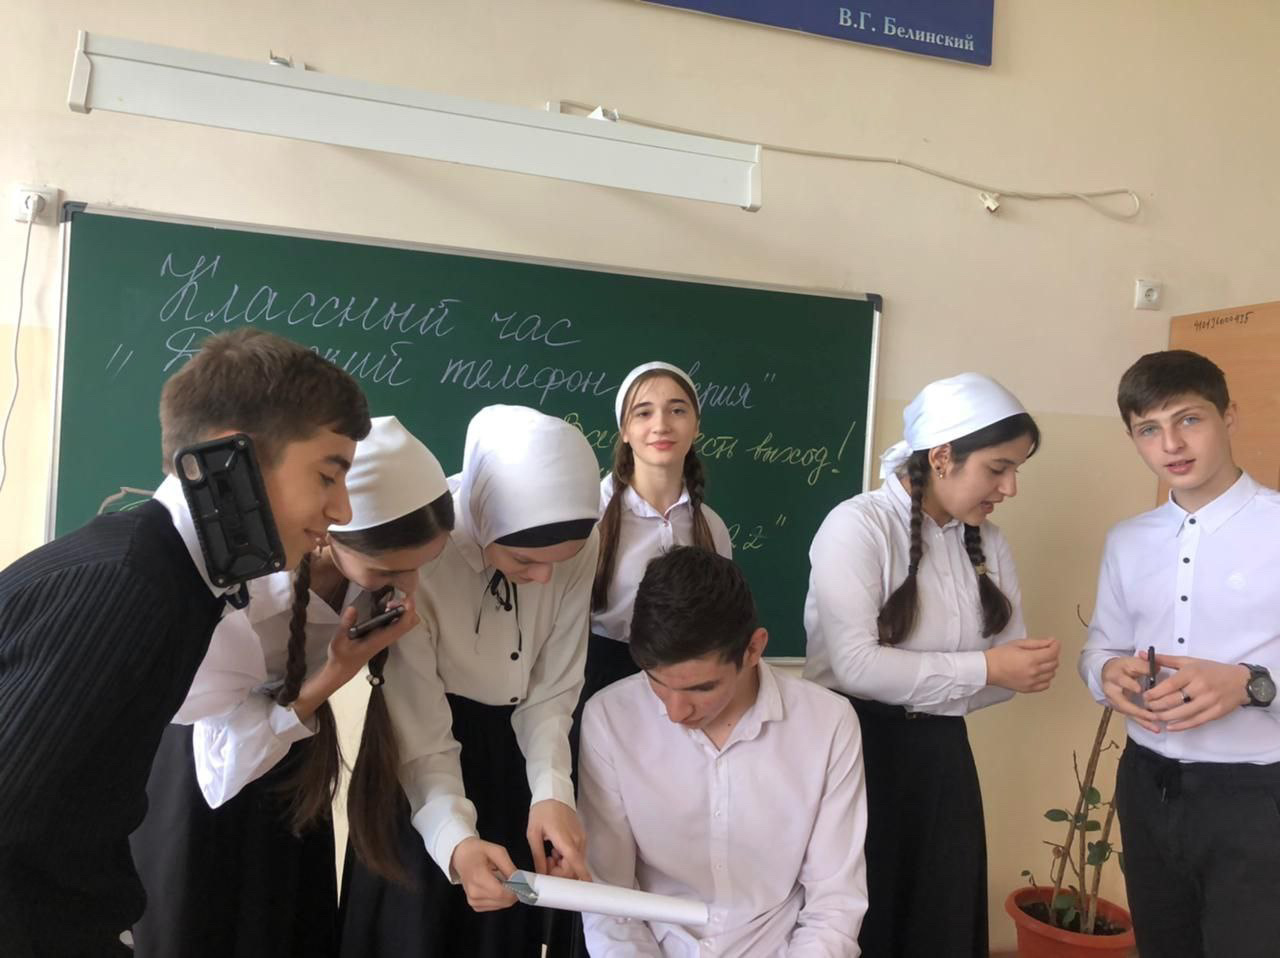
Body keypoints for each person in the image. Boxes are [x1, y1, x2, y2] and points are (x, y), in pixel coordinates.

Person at [0, 329, 371, 957]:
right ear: (231, 459)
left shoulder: (177, 579)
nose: (342, 510)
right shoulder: (131, 585)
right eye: (327, 476)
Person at [131, 416, 447, 957]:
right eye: (388, 571)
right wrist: (333, 675)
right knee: (195, 926)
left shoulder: (366, 576)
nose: (408, 586)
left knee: (288, 926)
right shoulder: (244, 580)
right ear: (330, 533)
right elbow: (222, 760)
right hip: (204, 771)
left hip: (297, 770)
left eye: (421, 567)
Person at [803, 371, 1060, 958]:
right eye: (998, 469)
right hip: (851, 750)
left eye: (1016, 470)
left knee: (940, 915)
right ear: (942, 457)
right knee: (860, 914)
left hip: (943, 755)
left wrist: (986, 672)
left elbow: (1010, 673)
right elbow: (857, 668)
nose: (1010, 488)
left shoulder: (989, 542)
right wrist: (984, 669)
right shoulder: (857, 526)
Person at [339, 404, 601, 958]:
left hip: (514, 758)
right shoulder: (421, 553)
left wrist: (552, 792)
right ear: (483, 521)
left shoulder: (578, 546)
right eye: (525, 560)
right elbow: (422, 732)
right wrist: (455, 839)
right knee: (415, 925)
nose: (545, 577)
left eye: (562, 562)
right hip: (416, 753)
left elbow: (552, 691)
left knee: (501, 928)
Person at [1079, 349, 1279, 958]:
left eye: (1189, 419)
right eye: (1149, 429)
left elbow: (1256, 683)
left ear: (1228, 415)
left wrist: (1252, 683)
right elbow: (1101, 648)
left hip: (1257, 793)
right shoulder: (1127, 540)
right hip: (1147, 783)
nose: (1171, 444)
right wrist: (1106, 672)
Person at [580, 546, 867, 956]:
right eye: (657, 683)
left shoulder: (828, 724)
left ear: (753, 649)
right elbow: (610, 901)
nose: (675, 712)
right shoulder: (610, 718)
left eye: (702, 688)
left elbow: (834, 905)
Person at [585, 361, 732, 713]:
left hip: (684, 687)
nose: (661, 425)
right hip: (596, 680)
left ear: (696, 425)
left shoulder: (712, 527)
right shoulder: (591, 514)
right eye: (643, 413)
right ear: (624, 430)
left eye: (677, 410)